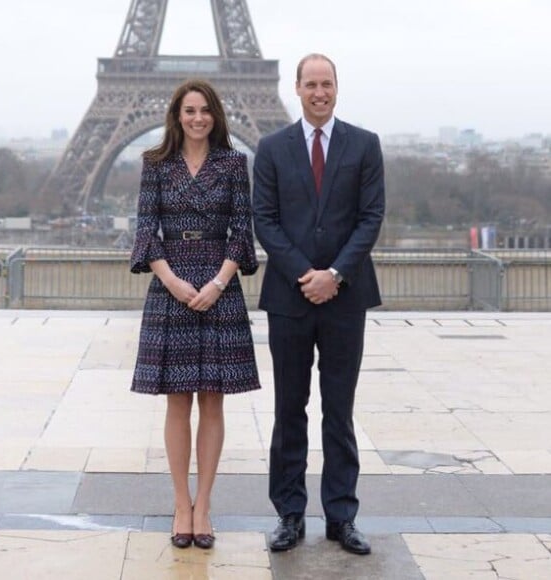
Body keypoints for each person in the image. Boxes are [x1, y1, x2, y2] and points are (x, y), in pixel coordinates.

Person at [252, 53, 385, 555]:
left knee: (339, 410)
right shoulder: (271, 148)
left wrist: (336, 274)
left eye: (326, 83)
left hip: (345, 296)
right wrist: (306, 273)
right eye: (311, 84)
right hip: (291, 296)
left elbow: (371, 218)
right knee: (290, 410)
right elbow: (264, 220)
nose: (319, 92)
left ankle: (341, 515)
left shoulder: (365, 145)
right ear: (296, 88)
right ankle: (289, 513)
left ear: (336, 87)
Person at [130, 79, 260, 550]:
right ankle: (180, 503)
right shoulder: (155, 165)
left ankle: (203, 505)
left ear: (216, 115)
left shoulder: (233, 163)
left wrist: (218, 282)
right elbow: (146, 230)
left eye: (205, 110)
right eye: (189, 110)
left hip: (218, 284)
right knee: (177, 401)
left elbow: (241, 232)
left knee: (212, 399)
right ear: (177, 115)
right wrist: (173, 281)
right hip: (172, 284)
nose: (198, 117)